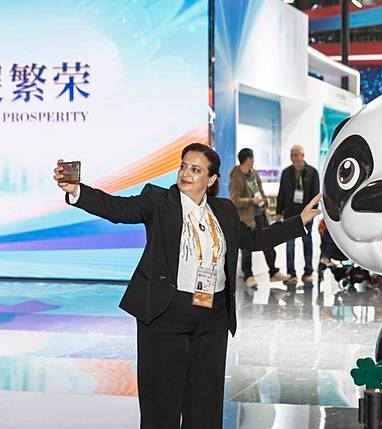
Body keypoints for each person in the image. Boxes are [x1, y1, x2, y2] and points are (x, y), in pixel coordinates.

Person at [52, 143, 321, 429]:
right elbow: (117, 208)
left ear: (212, 179)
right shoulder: (157, 201)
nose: (186, 173)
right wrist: (77, 191)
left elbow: (254, 239)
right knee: (162, 402)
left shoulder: (224, 210)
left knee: (205, 401)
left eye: (196, 169)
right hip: (166, 312)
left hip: (213, 315)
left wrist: (299, 222)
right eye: (183, 166)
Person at [229, 148, 289, 288]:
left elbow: (260, 190)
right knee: (247, 249)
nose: (254, 160)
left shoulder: (253, 173)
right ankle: (248, 276)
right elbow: (234, 200)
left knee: (268, 243)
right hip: (247, 218)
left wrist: (265, 206)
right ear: (247, 159)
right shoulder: (236, 177)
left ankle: (273, 272)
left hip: (261, 215)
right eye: (252, 158)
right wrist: (251, 201)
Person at [276, 145, 320, 285]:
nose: (294, 157)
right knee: (289, 244)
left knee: (307, 241)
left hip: (305, 213)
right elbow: (281, 193)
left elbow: (315, 195)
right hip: (290, 213)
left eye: (296, 154)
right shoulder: (286, 173)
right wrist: (278, 211)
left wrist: (313, 212)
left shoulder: (312, 172)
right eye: (292, 155)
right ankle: (291, 273)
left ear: (303, 155)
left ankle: (308, 271)